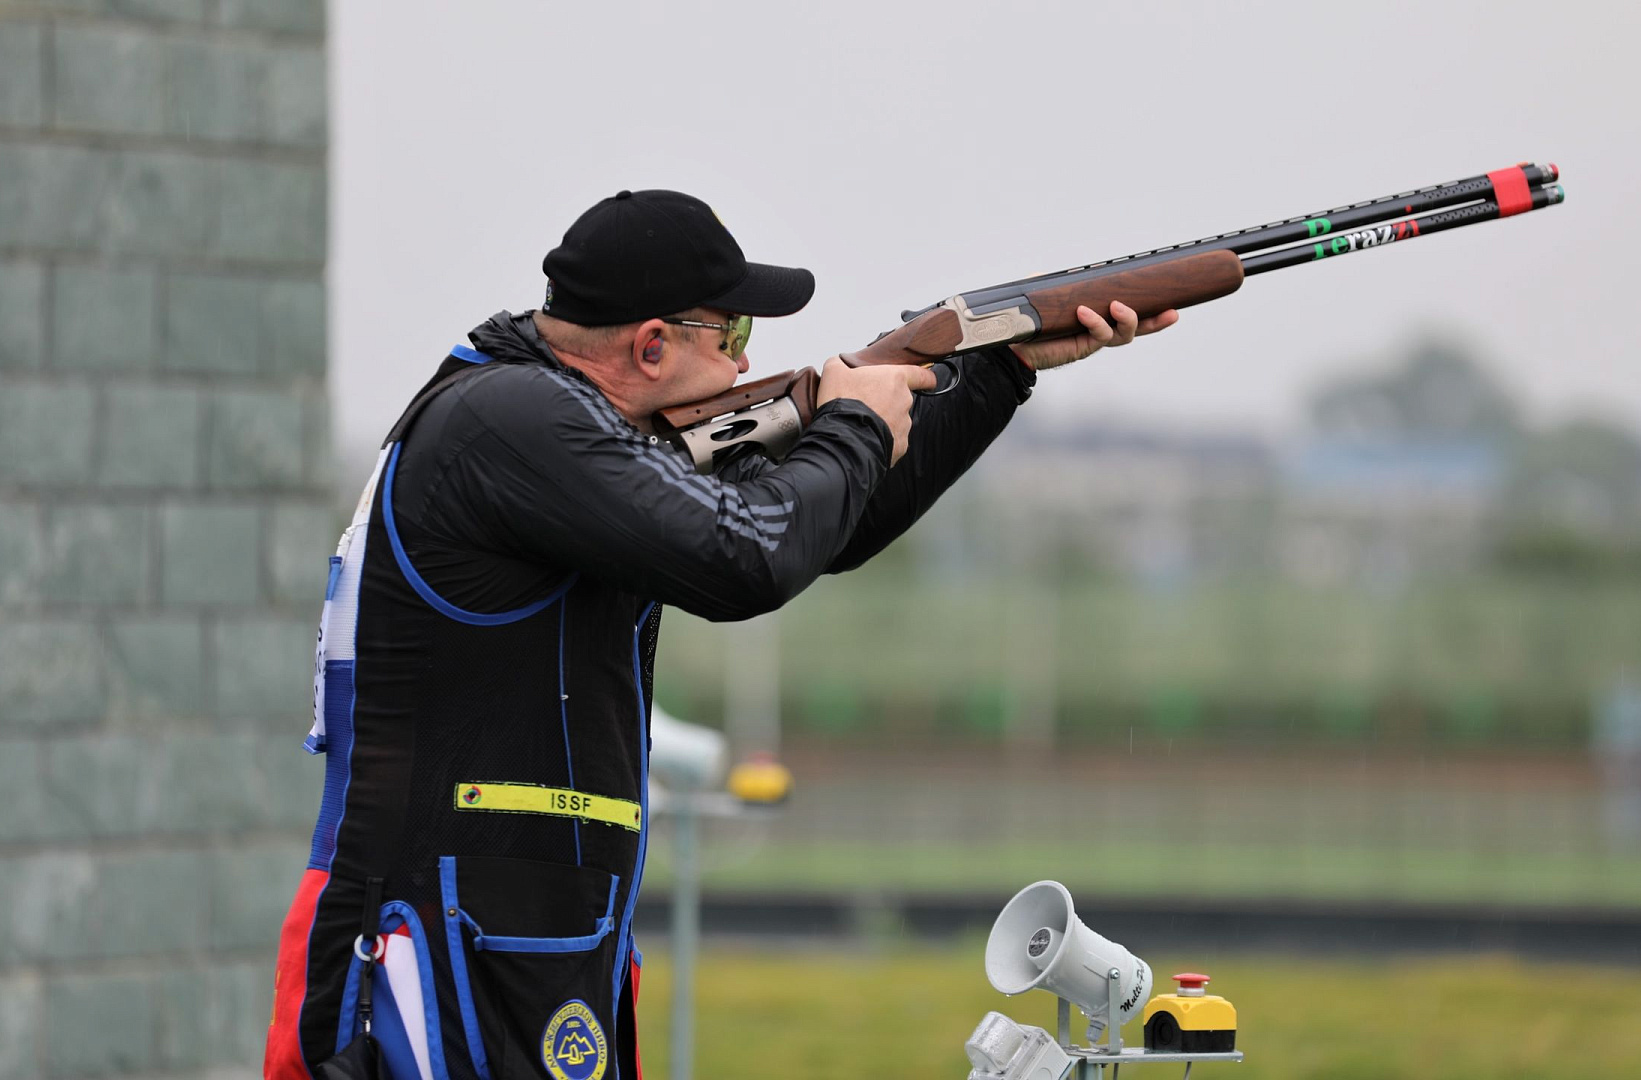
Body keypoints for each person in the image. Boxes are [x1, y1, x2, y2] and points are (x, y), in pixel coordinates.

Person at [262, 190, 1175, 1080]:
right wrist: (852, 421)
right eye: (731, 334)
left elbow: (826, 529)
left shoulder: (561, 425)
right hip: (431, 939)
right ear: (651, 345)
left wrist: (1000, 370)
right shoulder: (512, 422)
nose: (745, 364)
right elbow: (749, 555)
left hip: (521, 940)